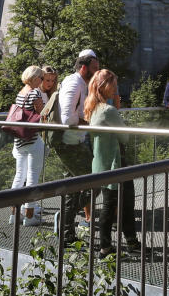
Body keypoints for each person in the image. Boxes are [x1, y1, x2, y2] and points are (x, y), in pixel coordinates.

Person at [84, 69, 141, 257]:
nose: (116, 88)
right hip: (115, 163)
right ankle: (107, 247)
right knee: (118, 205)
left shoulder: (92, 107)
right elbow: (124, 137)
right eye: (113, 84)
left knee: (114, 204)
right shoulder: (108, 110)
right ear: (104, 86)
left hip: (101, 161)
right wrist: (117, 110)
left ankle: (126, 243)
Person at [51, 49, 100, 245]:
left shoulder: (82, 83)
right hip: (68, 143)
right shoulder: (73, 82)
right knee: (96, 181)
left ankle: (66, 234)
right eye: (95, 69)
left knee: (73, 189)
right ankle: (64, 218)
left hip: (75, 141)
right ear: (84, 67)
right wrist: (89, 123)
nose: (97, 72)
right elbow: (67, 118)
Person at [10, 65, 45, 226]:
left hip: (19, 140)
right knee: (32, 177)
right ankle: (30, 216)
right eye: (41, 78)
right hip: (32, 139)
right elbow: (41, 113)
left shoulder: (21, 92)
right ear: (34, 78)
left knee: (19, 176)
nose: (42, 81)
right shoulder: (35, 92)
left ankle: (14, 214)